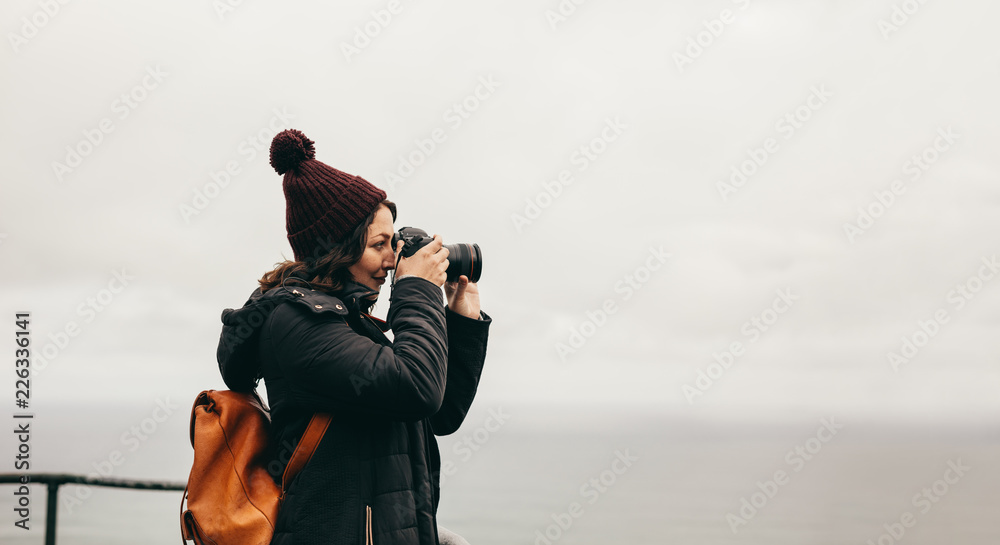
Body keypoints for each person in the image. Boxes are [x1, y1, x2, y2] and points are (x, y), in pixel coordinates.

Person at [215, 128, 491, 545]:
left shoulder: (348, 322)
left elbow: (439, 413)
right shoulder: (297, 323)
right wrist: (417, 289)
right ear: (338, 249)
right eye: (379, 244)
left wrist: (460, 320)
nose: (392, 259)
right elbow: (418, 387)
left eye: (393, 242)